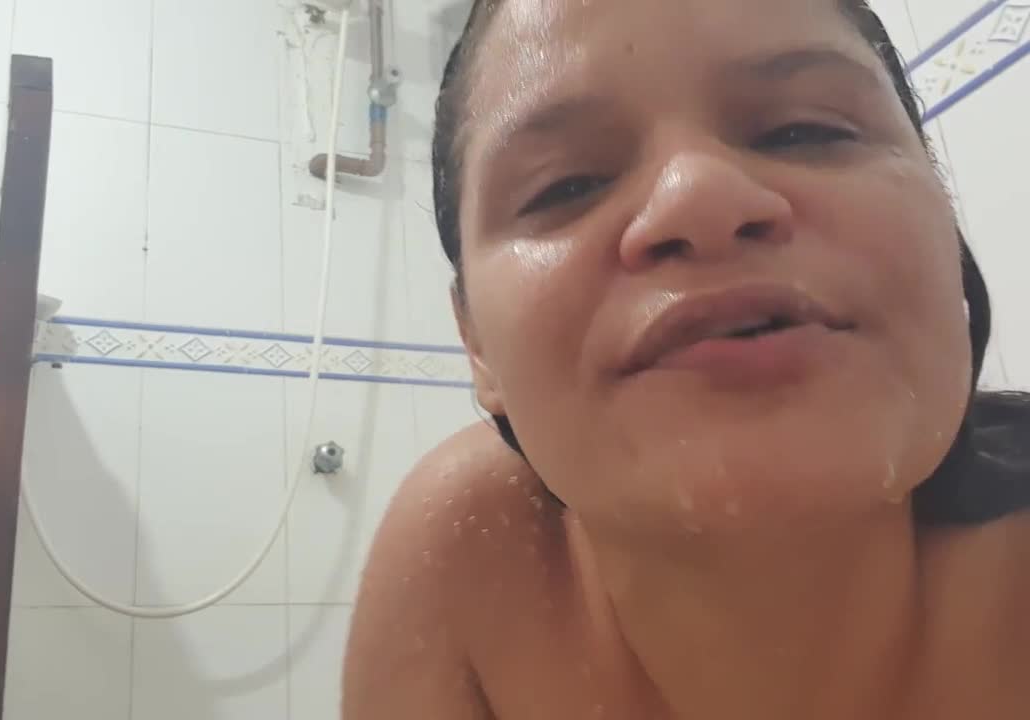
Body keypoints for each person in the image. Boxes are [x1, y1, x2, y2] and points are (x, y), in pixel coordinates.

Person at [342, 1, 1030, 718]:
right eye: (567, 185)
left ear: (944, 222)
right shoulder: (470, 551)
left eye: (805, 130)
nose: (699, 198)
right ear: (475, 344)